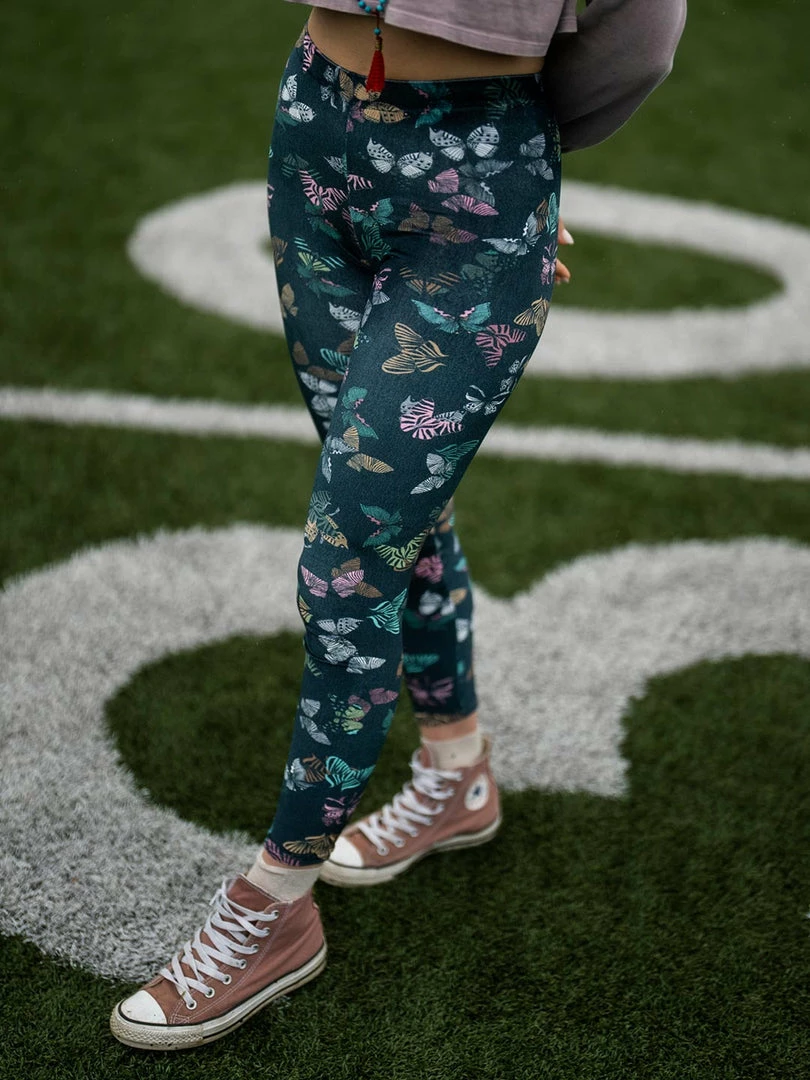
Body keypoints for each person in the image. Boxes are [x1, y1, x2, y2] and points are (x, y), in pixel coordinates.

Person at [110, 0, 686, 1051]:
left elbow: (641, 35)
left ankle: (276, 902)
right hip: (315, 129)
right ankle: (456, 771)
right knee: (393, 511)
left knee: (346, 565)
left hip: (475, 169)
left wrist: (516, 157)